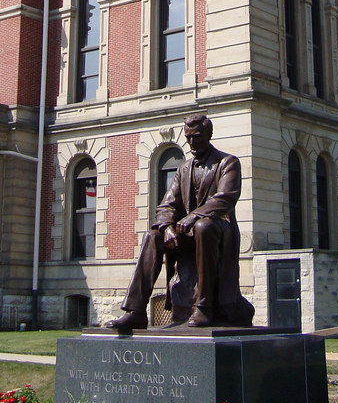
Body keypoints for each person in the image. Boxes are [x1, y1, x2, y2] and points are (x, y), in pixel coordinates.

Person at [106, 113, 255, 329]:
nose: (192, 142)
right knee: (152, 236)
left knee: (203, 226)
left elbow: (225, 199)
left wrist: (194, 216)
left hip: (217, 232)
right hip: (187, 233)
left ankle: (203, 307)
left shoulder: (227, 163)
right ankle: (135, 310)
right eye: (188, 138)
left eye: (197, 137)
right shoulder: (183, 169)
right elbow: (166, 205)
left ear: (208, 135)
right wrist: (167, 228)